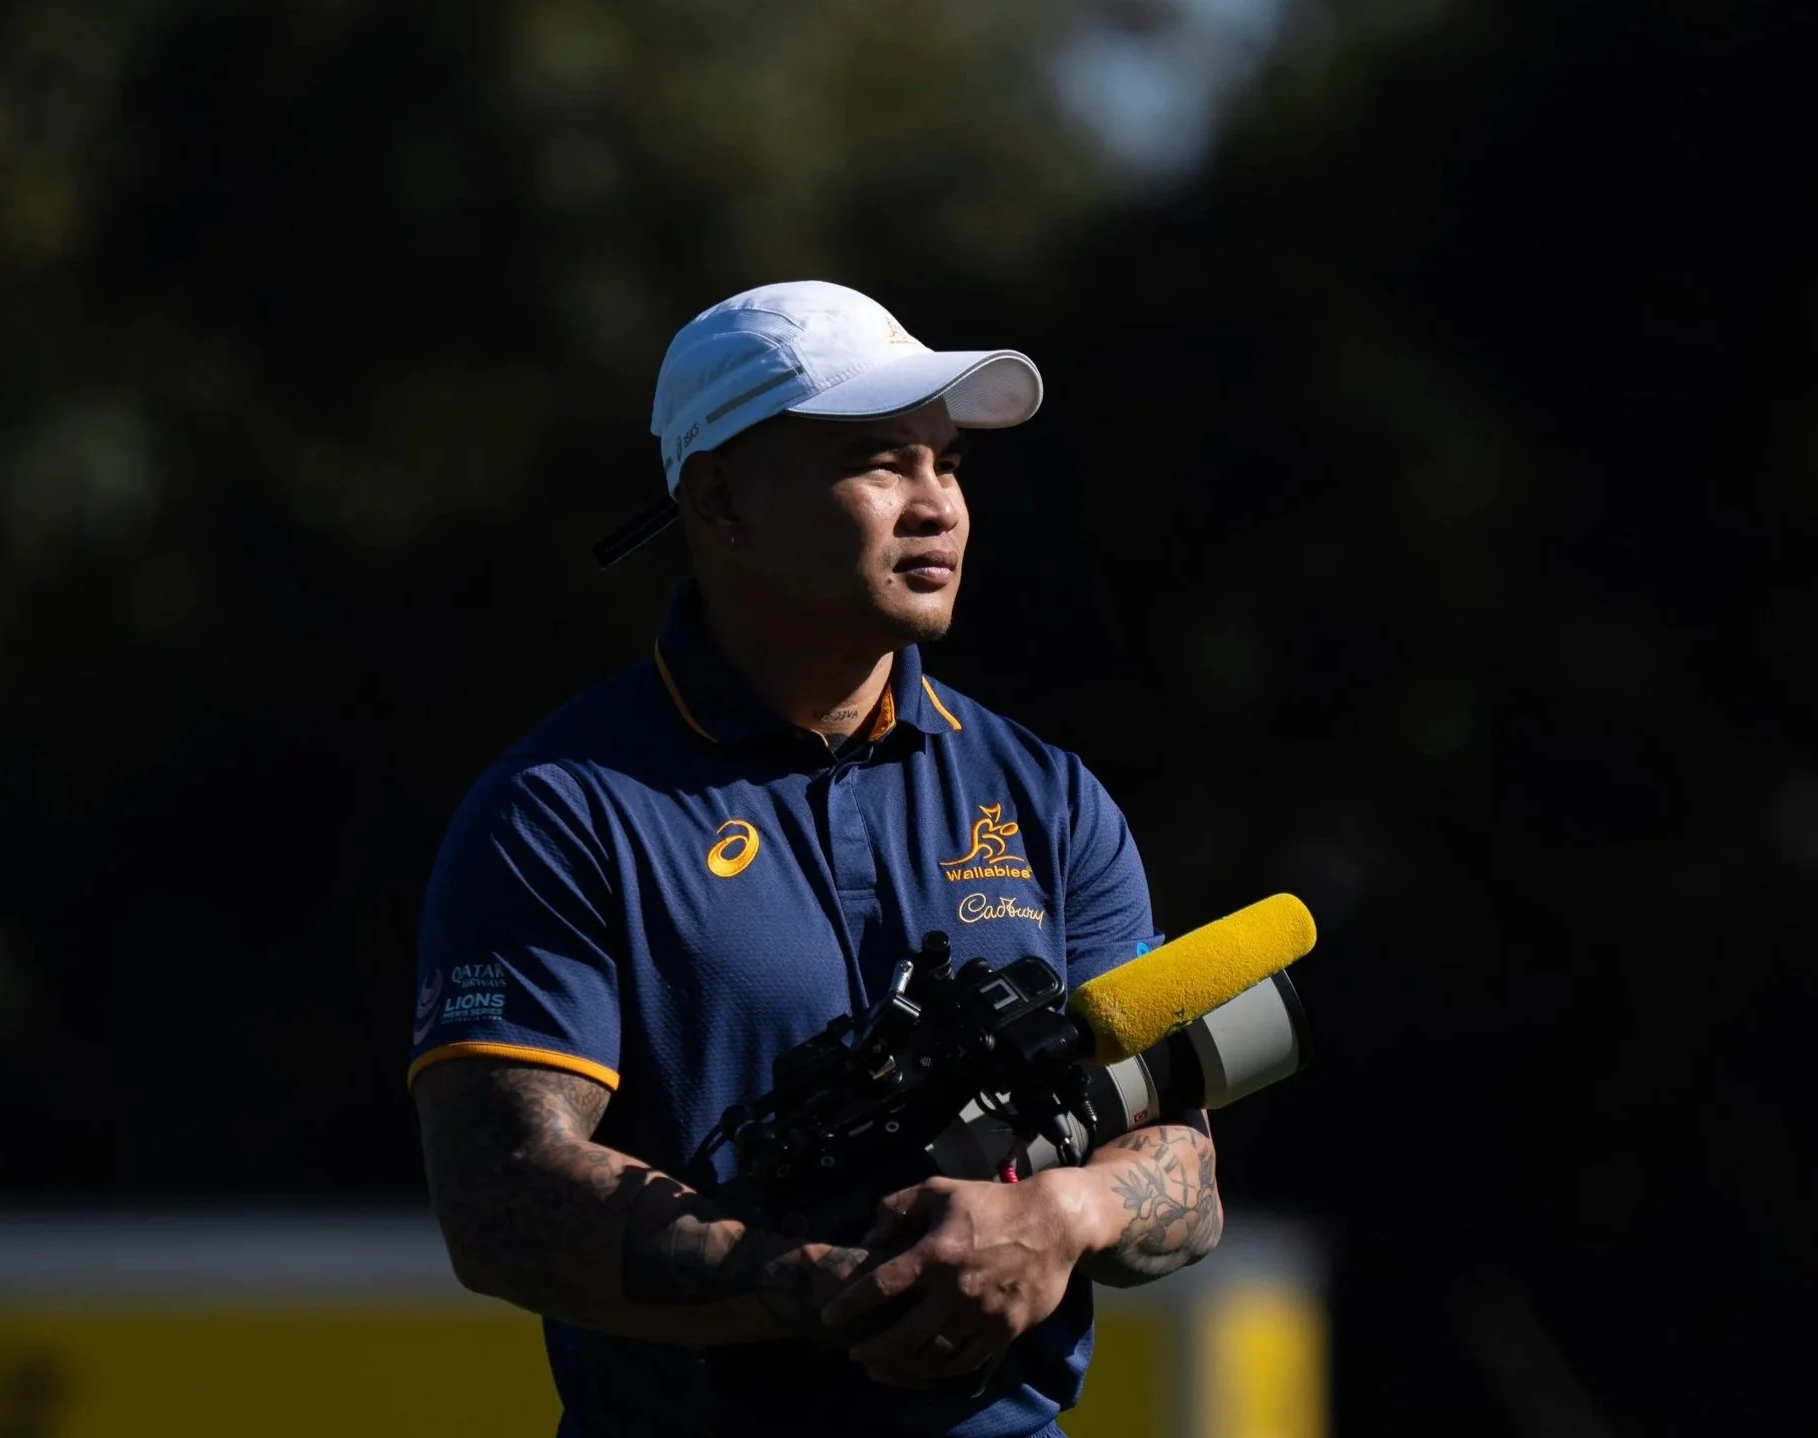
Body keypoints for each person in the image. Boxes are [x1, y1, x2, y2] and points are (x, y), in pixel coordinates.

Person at [408, 280, 1222, 1438]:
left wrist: (1063, 1215)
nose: (936, 505)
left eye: (947, 464)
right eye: (880, 462)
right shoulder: (560, 810)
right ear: (720, 497)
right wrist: (835, 1286)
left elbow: (1182, 1171)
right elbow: (501, 1200)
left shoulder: (1048, 795)